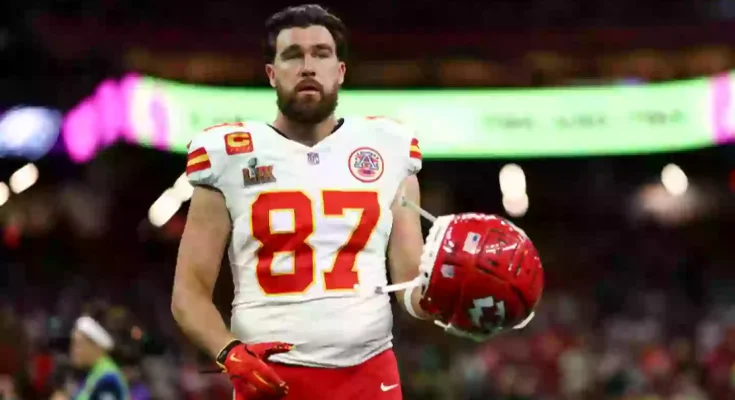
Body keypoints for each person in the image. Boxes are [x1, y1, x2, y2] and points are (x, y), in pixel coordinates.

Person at [171, 4, 543, 400]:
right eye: (293, 55)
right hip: (269, 377)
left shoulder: (389, 147)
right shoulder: (230, 153)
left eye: (321, 54)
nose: (308, 67)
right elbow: (188, 293)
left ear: (340, 71)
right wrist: (228, 352)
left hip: (369, 375)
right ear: (271, 73)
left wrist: (449, 294)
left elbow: (409, 282)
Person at [52, 315, 130, 400]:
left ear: (96, 346)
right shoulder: (93, 374)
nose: (73, 350)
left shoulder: (108, 379)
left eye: (78, 345)